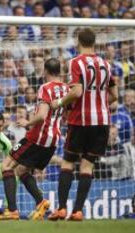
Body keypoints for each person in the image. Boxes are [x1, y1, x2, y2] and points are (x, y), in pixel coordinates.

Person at [48, 28, 118, 221]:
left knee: (68, 162)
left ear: (78, 41)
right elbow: (115, 96)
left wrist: (59, 103)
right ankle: (78, 211)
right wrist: (100, 104)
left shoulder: (76, 62)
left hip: (81, 120)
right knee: (87, 165)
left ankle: (62, 208)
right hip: (102, 121)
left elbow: (77, 92)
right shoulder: (106, 64)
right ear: (94, 42)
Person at [0, 58, 68, 220]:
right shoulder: (65, 89)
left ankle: (12, 210)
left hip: (38, 136)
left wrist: (28, 122)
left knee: (6, 166)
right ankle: (41, 202)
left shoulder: (45, 88)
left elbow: (41, 116)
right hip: (54, 139)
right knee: (21, 170)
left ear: (46, 71)